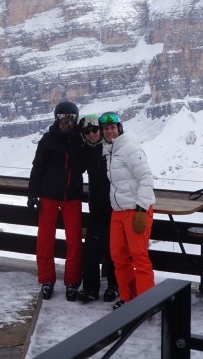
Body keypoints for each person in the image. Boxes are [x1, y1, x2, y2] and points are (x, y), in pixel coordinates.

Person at [27, 100, 85, 301]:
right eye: (62, 118)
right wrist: (32, 194)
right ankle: (46, 280)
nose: (66, 123)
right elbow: (37, 167)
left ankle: (72, 282)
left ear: (76, 120)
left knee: (74, 241)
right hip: (49, 197)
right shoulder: (48, 139)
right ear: (56, 118)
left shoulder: (80, 139)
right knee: (45, 240)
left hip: (72, 197)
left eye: (70, 119)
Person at [100, 110, 155, 310]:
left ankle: (146, 304)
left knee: (139, 257)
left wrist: (142, 208)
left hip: (136, 210)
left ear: (119, 128)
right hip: (118, 211)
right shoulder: (109, 150)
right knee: (118, 256)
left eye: (113, 127)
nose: (109, 131)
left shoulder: (130, 148)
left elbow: (146, 177)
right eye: (106, 128)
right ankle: (128, 298)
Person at [74, 114, 119, 304]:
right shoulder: (85, 150)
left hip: (115, 206)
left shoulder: (111, 147)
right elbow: (74, 168)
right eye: (87, 132)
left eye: (94, 130)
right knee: (91, 248)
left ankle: (114, 286)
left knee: (114, 248)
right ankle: (90, 288)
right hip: (96, 207)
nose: (92, 134)